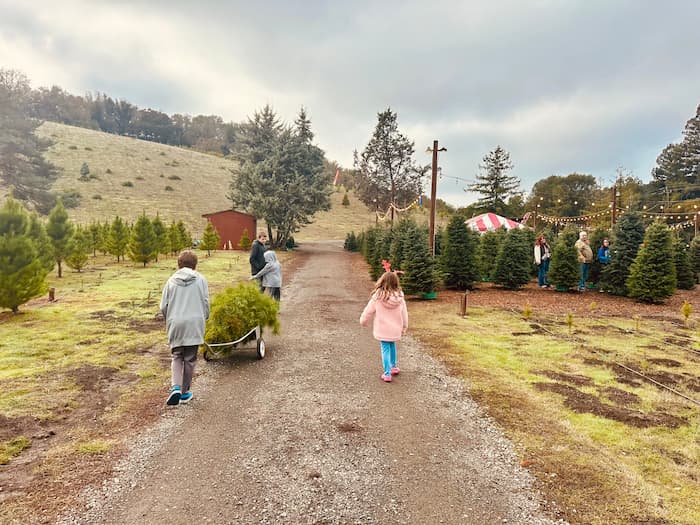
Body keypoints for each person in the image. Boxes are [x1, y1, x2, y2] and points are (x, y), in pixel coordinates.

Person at [159, 250, 210, 406]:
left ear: (178, 264)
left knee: (176, 356)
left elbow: (163, 306)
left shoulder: (170, 281)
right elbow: (206, 302)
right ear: (195, 265)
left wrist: (169, 319)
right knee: (190, 359)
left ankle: (175, 386)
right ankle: (185, 392)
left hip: (176, 323)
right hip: (194, 323)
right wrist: (205, 317)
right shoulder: (201, 279)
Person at [359, 271, 408, 383]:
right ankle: (394, 367)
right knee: (392, 345)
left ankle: (387, 374)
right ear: (396, 282)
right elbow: (404, 313)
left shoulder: (377, 296)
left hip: (382, 329)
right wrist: (404, 327)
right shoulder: (400, 296)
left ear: (382, 281)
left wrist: (363, 321)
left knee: (385, 348)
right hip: (395, 329)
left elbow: (368, 311)